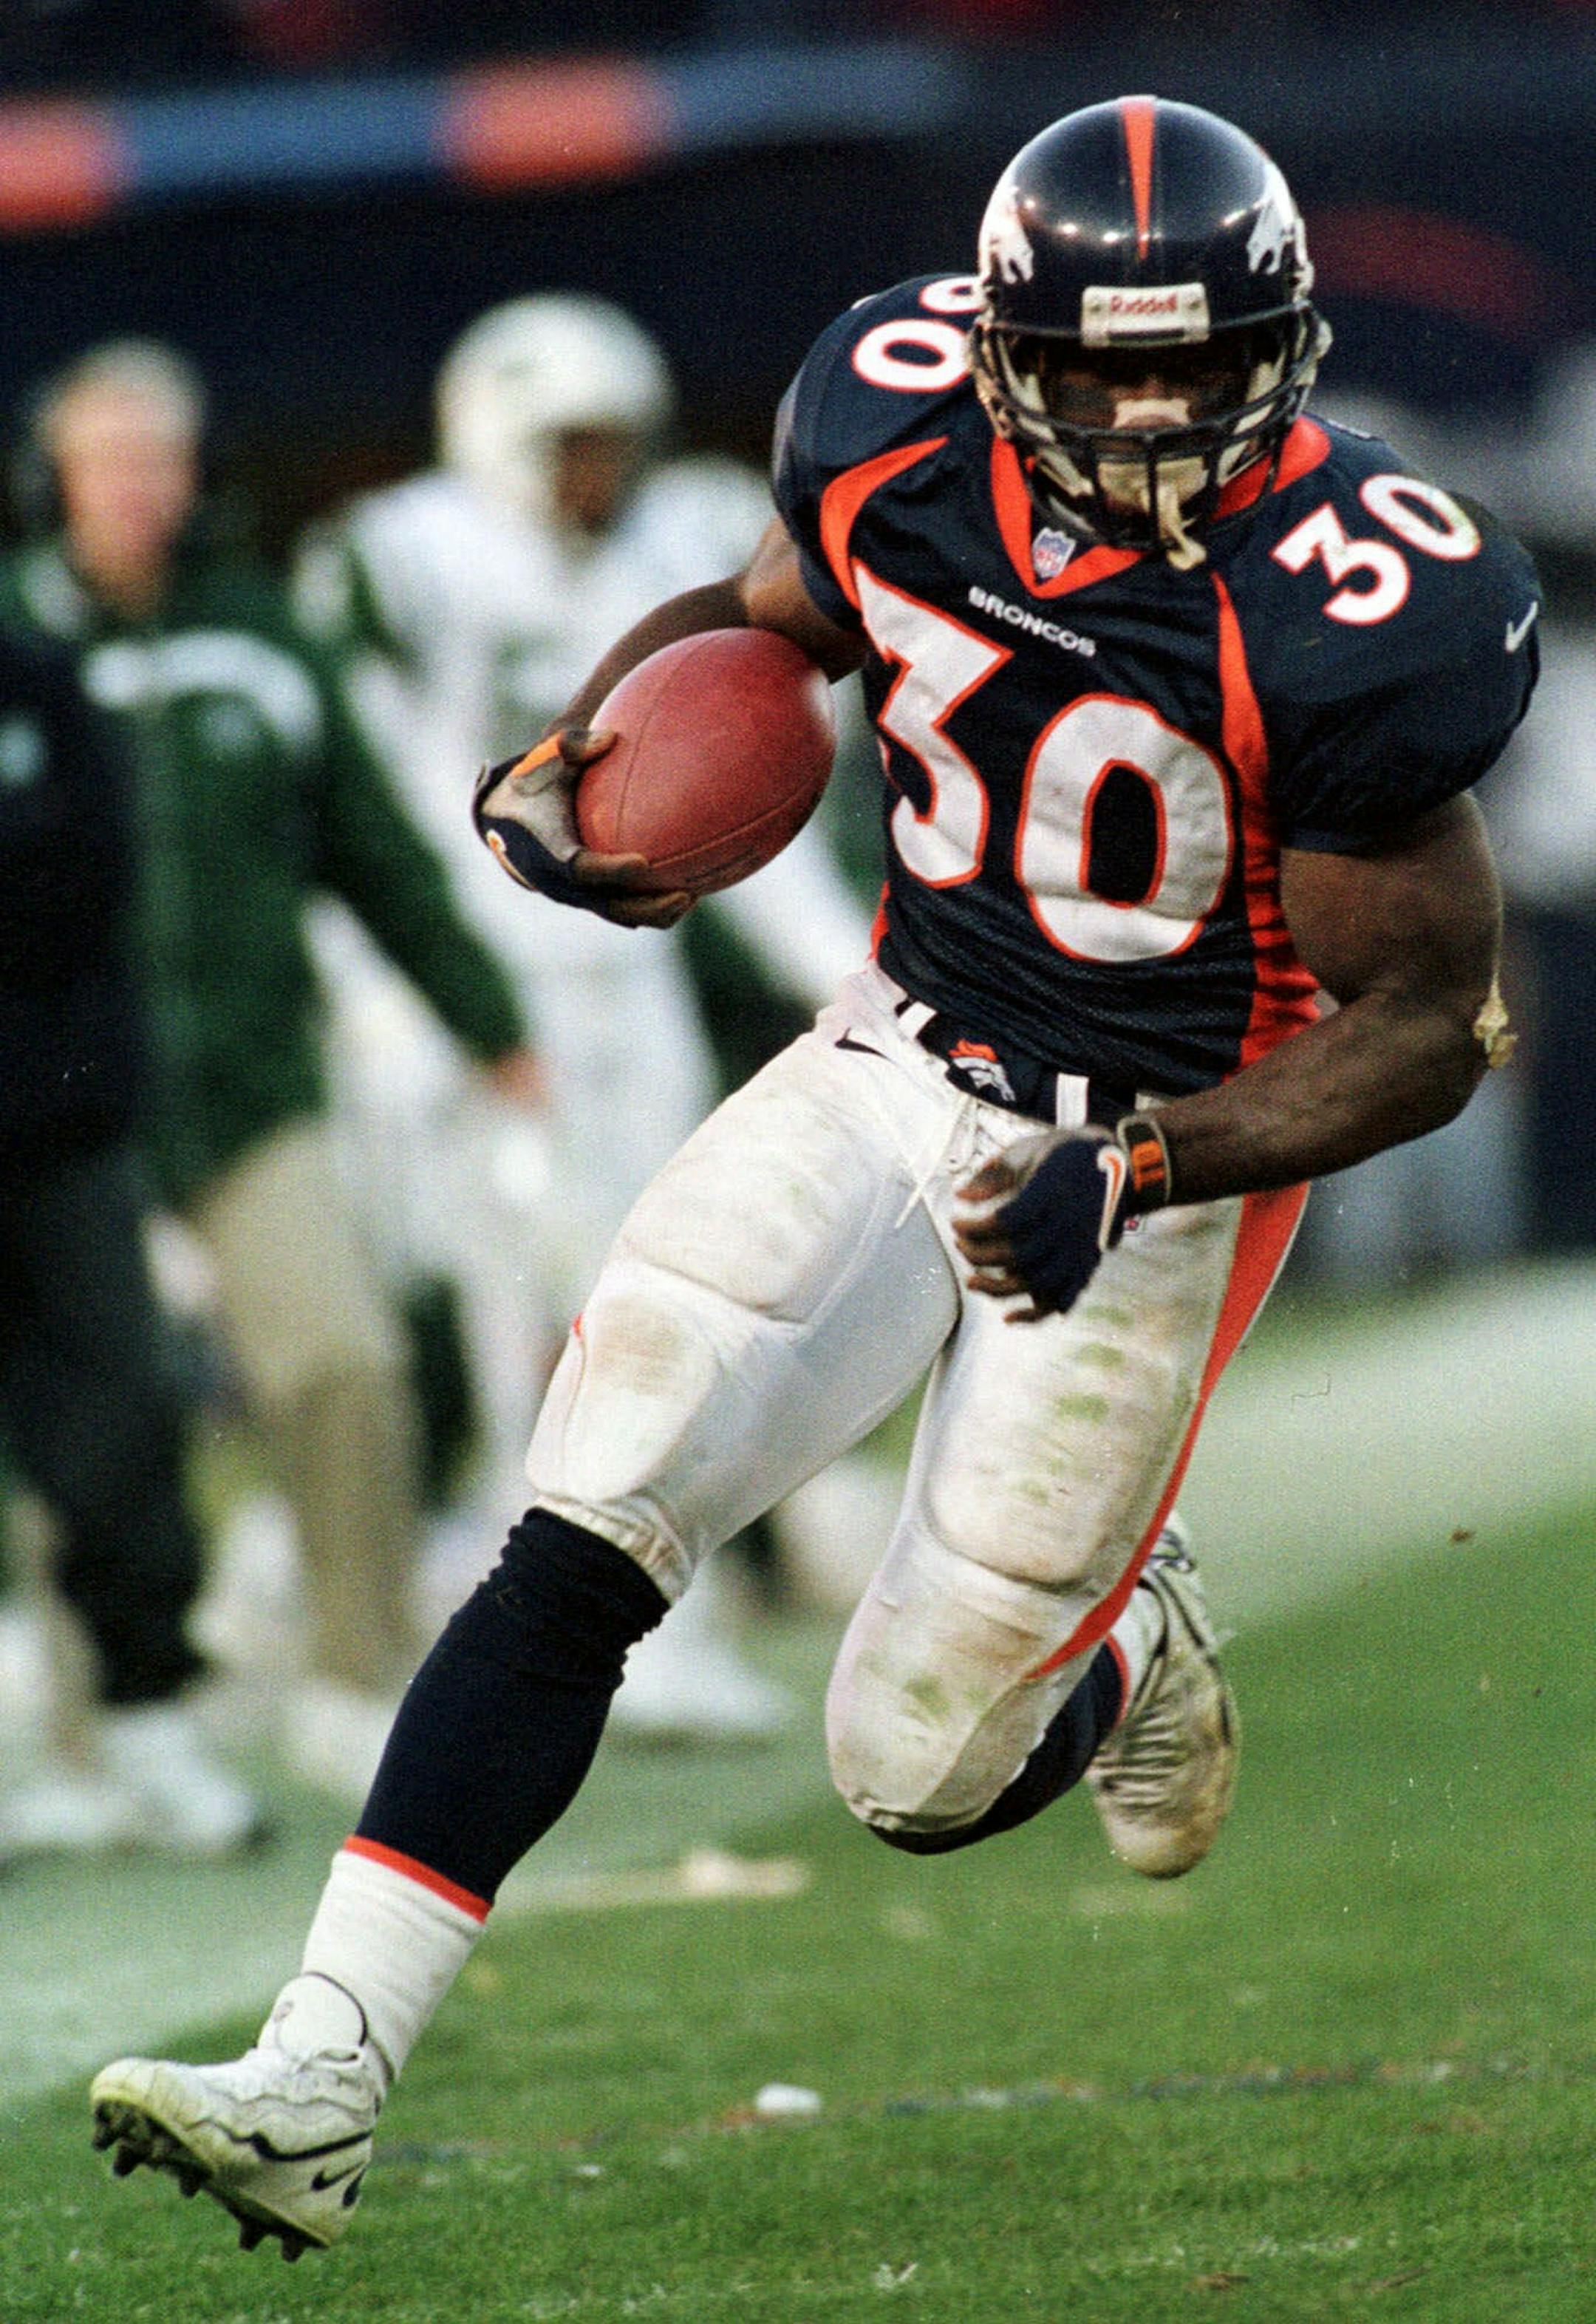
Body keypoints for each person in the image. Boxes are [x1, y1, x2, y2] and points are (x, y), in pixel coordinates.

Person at [89, 97, 1535, 2257]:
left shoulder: (1355, 593)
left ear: (1286, 347)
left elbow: (1430, 1026)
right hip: (892, 1052)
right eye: (1105, 365)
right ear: (1001, 339)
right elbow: (769, 615)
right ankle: (320, 2071)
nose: (1153, 415)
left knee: (915, 1769)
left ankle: (1117, 1651)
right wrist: (585, 761)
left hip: (1162, 1151)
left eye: (1198, 364)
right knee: (596, 1501)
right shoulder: (888, 416)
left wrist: (1144, 1156)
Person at [291, 293, 871, 1736]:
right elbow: (360, 804)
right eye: (569, 444)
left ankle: (614, 1621)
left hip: (631, 984)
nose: (596, 476)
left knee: (671, 1293)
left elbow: (729, 805)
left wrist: (839, 968)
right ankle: (556, 1628)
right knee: (532, 1322)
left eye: (614, 444)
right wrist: (388, 1004)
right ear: (492, 435)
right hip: (484, 995)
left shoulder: (678, 545)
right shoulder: (404, 561)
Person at [0, 339, 541, 1801]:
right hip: (60, 1109)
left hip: (243, 1082)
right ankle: (89, 1727)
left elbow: (370, 846)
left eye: (159, 460)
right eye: (108, 462)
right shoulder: (18, 640)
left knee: (345, 1363)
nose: (137, 492)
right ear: (55, 479)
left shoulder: (258, 639)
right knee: (91, 1413)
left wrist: (490, 1020)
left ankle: (357, 1675)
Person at [0, 619, 265, 1861]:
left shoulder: (37, 672)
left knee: (122, 1410)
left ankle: (150, 1716)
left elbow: (91, 873)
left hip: (55, 1113)